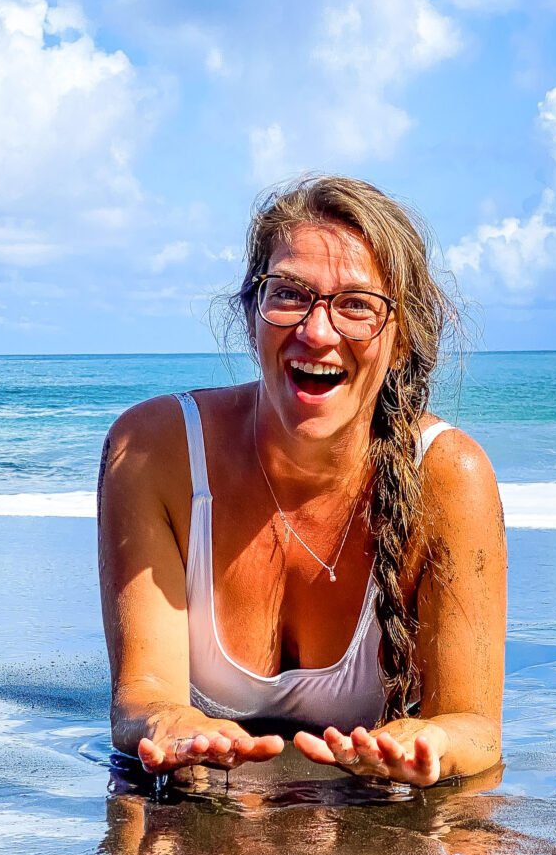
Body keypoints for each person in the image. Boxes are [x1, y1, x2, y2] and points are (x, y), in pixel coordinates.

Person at [98, 175, 506, 788]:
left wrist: (431, 742)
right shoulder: (156, 451)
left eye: (357, 305)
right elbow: (141, 698)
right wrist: (170, 722)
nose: (318, 332)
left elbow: (476, 727)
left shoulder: (448, 476)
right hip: (201, 809)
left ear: (400, 340)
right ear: (250, 313)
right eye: (289, 294)